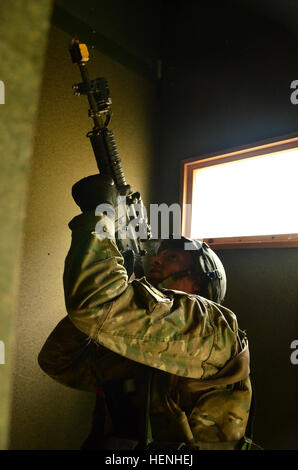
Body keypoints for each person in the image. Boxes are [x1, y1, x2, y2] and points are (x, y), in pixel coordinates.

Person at [38, 175, 253, 450]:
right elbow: (58, 361)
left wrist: (98, 218)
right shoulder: (147, 348)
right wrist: (120, 289)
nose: (157, 259)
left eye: (172, 257)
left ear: (197, 282)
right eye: (159, 255)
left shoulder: (213, 326)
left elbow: (93, 306)